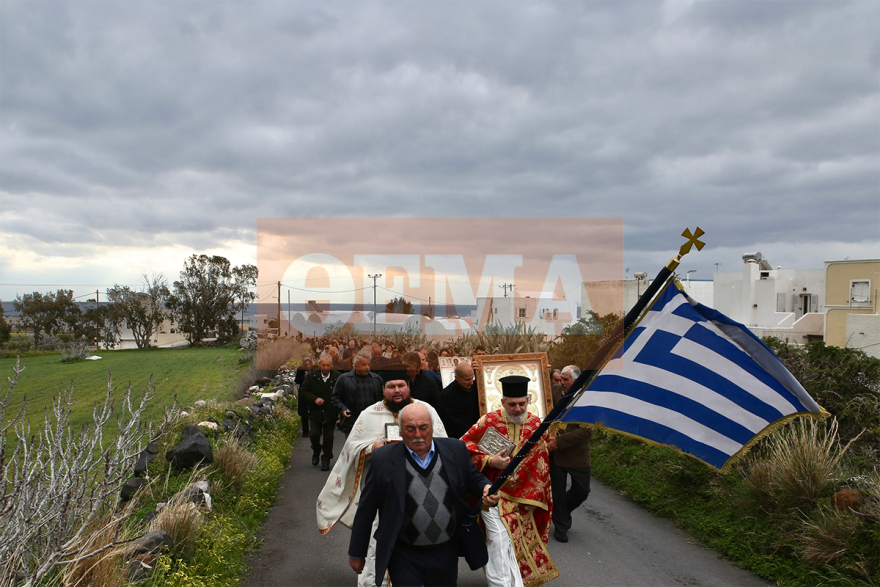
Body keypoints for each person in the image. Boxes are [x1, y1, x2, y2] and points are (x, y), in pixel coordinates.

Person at [317, 365, 448, 587]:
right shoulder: (370, 414)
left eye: (401, 385)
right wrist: (372, 447)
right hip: (386, 493)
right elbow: (351, 448)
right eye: (391, 386)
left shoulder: (426, 410)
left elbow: (443, 445)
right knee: (378, 540)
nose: (397, 390)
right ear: (383, 388)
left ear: (408, 386)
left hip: (423, 491)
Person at [348, 403, 499, 586]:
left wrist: (485, 487)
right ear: (400, 432)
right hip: (403, 552)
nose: (418, 435)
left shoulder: (455, 449)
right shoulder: (384, 460)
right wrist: (357, 552)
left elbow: (473, 478)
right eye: (410, 429)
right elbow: (366, 508)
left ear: (432, 427)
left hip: (445, 551)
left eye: (423, 428)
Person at [461, 376, 559, 587]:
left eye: (521, 404)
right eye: (512, 404)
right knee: (497, 540)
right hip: (493, 494)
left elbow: (542, 465)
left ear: (528, 400)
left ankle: (515, 582)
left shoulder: (536, 425)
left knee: (516, 543)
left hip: (526, 497)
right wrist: (488, 460)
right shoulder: (489, 421)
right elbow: (463, 447)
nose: (517, 408)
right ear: (503, 402)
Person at [548, 365, 592, 543]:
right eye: (560, 379)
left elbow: (587, 431)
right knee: (557, 492)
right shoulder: (555, 390)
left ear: (577, 380)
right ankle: (561, 527)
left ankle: (561, 513)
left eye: (566, 380)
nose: (562, 383)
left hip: (577, 454)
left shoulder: (588, 397)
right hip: (555, 454)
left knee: (582, 490)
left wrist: (560, 442)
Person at [298, 354, 341, 470]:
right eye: (323, 365)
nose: (326, 367)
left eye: (328, 365)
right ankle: (316, 450)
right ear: (320, 365)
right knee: (314, 434)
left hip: (330, 412)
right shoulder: (312, 377)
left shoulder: (337, 377)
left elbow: (342, 393)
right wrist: (314, 399)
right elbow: (303, 391)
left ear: (331, 365)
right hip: (315, 412)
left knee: (328, 437)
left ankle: (326, 458)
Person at [331, 350, 384, 435]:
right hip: (352, 422)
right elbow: (335, 397)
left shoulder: (376, 379)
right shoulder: (344, 379)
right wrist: (343, 408)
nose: (367, 367)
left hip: (372, 422)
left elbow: (382, 398)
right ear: (355, 365)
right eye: (364, 365)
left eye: (368, 364)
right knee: (353, 447)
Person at [436, 361, 481, 439]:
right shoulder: (447, 396)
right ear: (457, 378)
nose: (471, 383)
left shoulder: (476, 387)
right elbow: (456, 424)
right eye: (467, 380)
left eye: (472, 378)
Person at [294, 356, 315, 437]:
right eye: (306, 365)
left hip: (312, 393)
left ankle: (313, 430)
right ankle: (305, 432)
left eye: (309, 364)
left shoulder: (314, 370)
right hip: (303, 393)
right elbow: (297, 381)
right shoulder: (300, 370)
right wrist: (304, 377)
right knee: (304, 413)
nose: (308, 366)